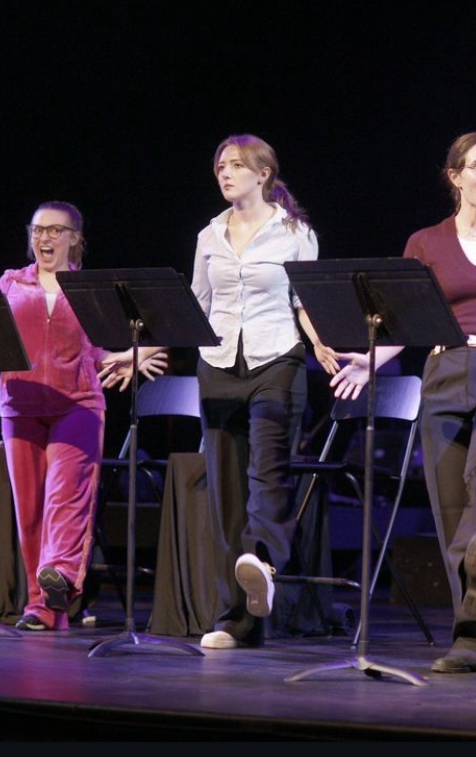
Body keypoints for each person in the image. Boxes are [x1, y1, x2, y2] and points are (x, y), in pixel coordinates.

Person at [331, 131, 476, 673]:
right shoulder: (424, 243)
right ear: (454, 176)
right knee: (450, 509)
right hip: (443, 371)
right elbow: (406, 320)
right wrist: (372, 360)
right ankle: (474, 639)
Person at [191, 134, 338, 649]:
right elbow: (198, 303)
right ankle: (235, 618)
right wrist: (142, 350)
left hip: (277, 357)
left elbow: (305, 300)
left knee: (268, 472)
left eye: (235, 165)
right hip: (218, 363)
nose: (225, 174)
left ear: (263, 174)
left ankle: (261, 562)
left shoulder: (294, 232)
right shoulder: (210, 234)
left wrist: (320, 345)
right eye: (220, 166)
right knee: (225, 491)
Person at [0, 200, 166, 631]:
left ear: (76, 238)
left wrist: (125, 358)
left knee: (65, 497)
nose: (45, 239)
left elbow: (97, 349)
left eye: (56, 231)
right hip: (21, 405)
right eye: (38, 230)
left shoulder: (91, 290)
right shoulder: (11, 284)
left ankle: (60, 575)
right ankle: (43, 608)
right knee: (30, 510)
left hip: (77, 404)